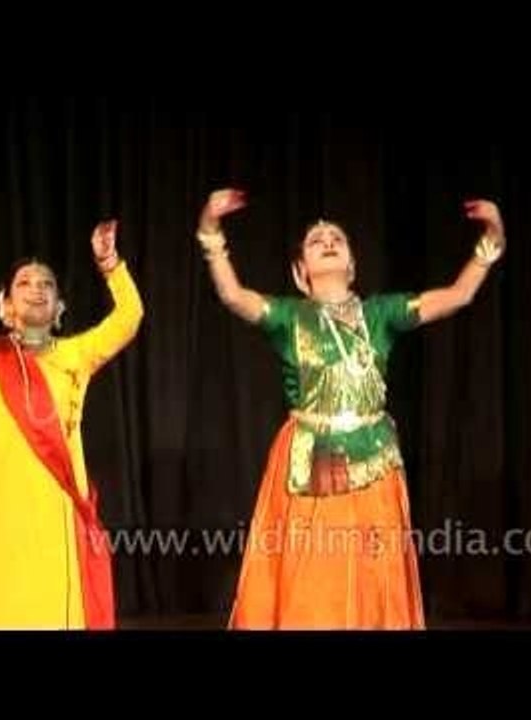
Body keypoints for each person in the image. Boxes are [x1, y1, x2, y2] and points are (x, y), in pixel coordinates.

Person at [196, 188, 506, 629]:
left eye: (336, 236)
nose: (326, 240)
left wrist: (490, 242)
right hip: (313, 458)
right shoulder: (288, 318)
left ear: (353, 265)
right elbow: (232, 295)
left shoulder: (381, 314)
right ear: (300, 271)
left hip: (373, 457)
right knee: (315, 574)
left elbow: (457, 296)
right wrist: (211, 232)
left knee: (372, 571)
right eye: (315, 239)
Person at [0, 216, 144, 629]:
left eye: (47, 284)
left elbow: (130, 316)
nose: (37, 290)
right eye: (24, 283)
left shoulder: (77, 354)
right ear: (4, 306)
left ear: (60, 309)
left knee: (43, 604)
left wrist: (110, 263)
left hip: (52, 504)